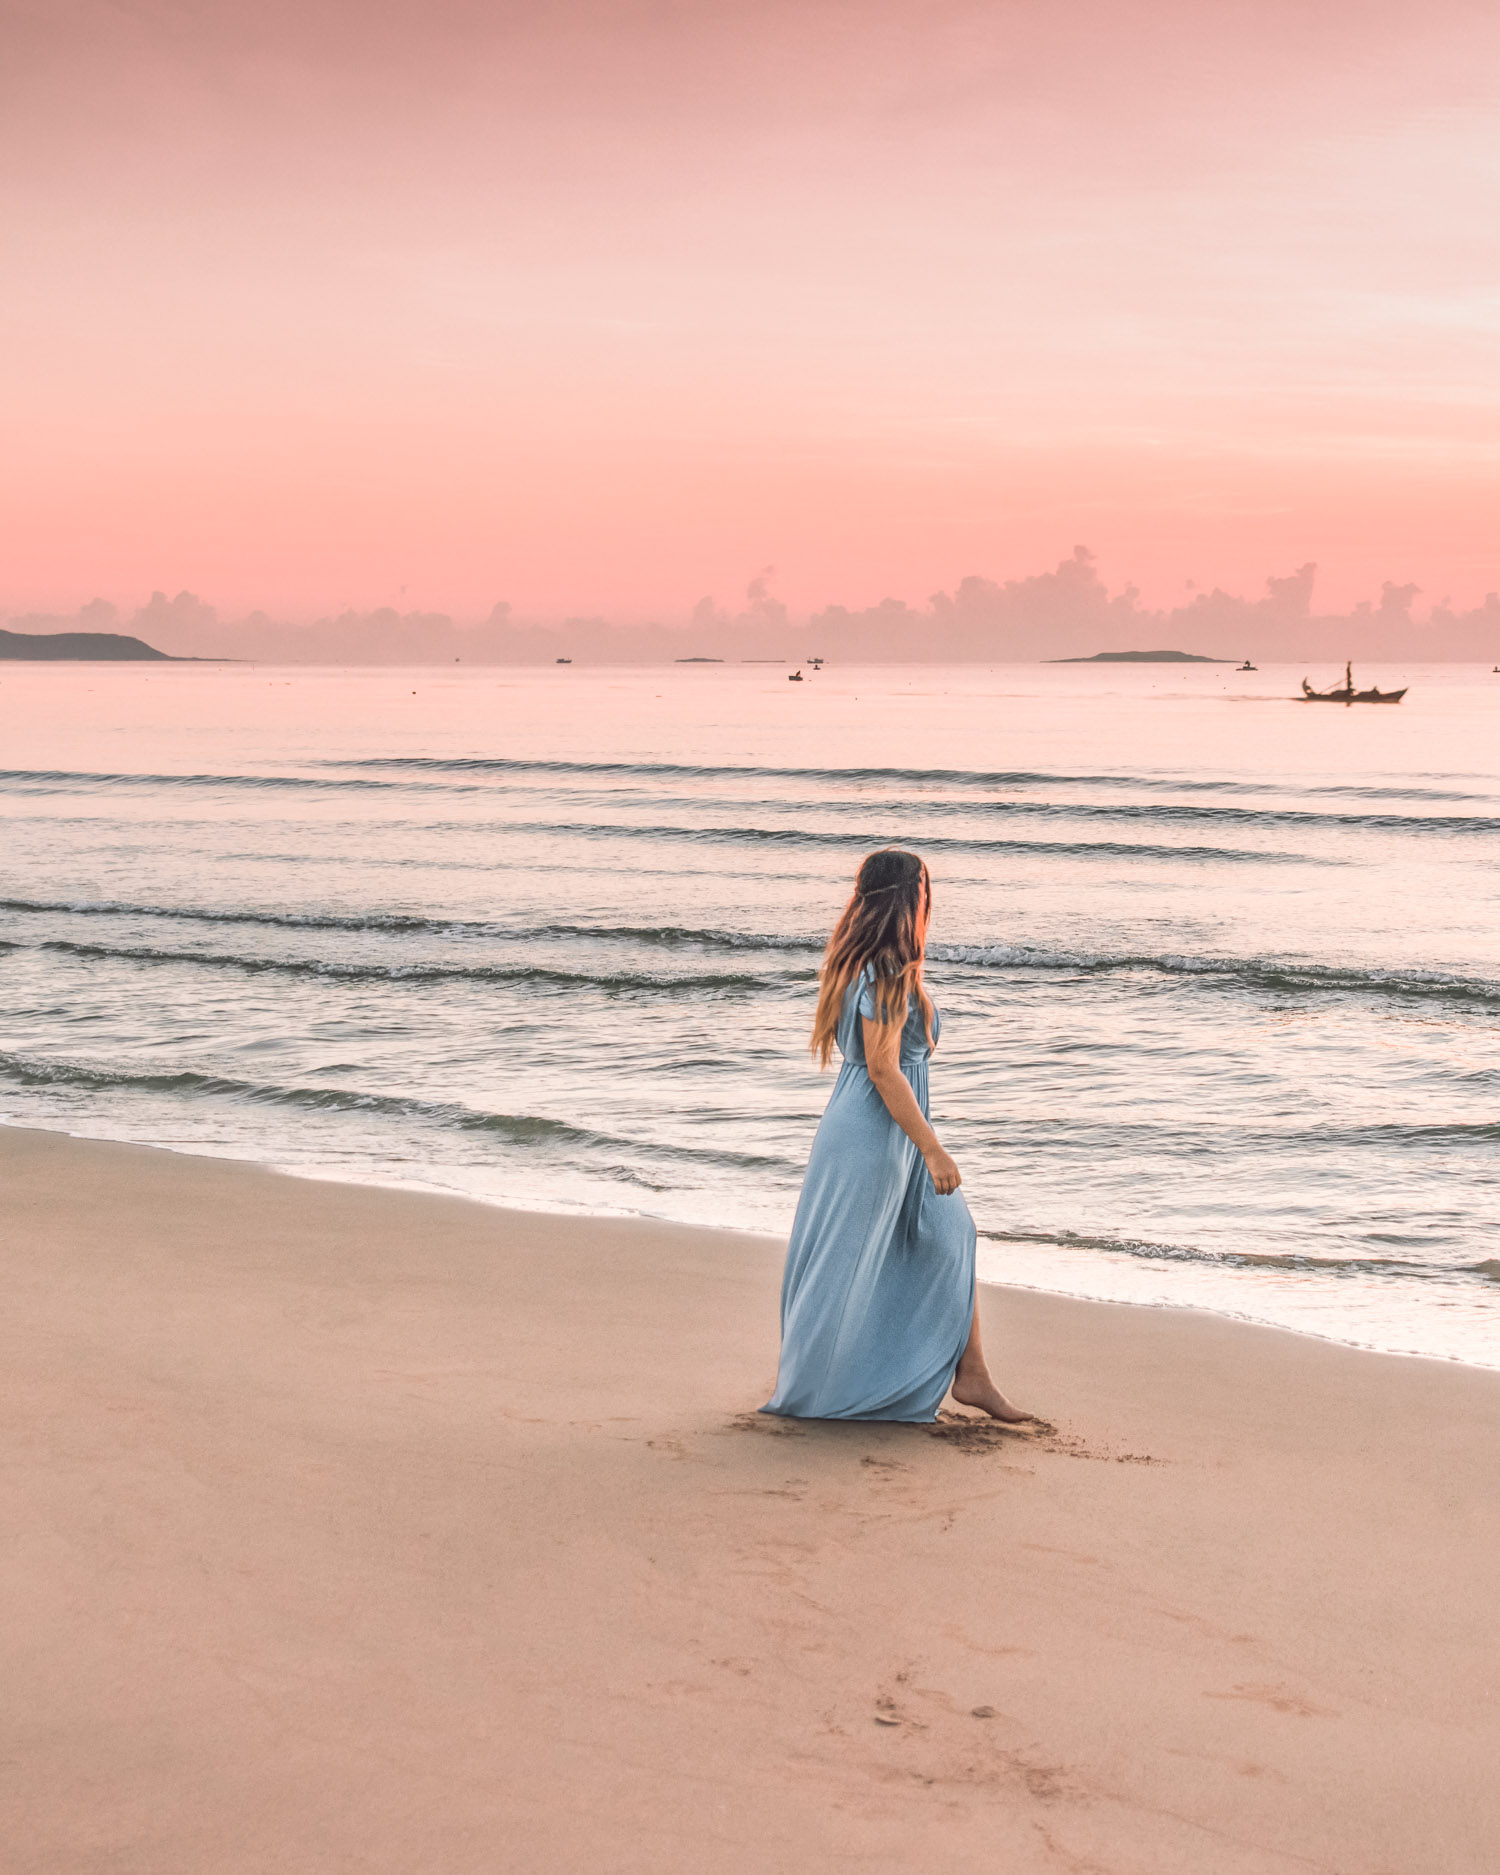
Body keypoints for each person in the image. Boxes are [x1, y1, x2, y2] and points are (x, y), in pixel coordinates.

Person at [762, 848, 1032, 1424]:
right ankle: (818, 1386)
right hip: (875, 1135)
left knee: (944, 1235)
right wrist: (932, 1147)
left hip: (864, 1126)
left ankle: (973, 1374)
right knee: (850, 1259)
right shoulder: (886, 969)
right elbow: (884, 1068)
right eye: (926, 889)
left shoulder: (856, 960)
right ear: (913, 899)